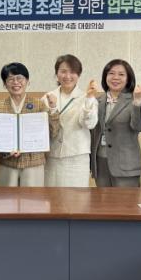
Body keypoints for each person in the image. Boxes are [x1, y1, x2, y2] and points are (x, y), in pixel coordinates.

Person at [0, 62, 58, 187]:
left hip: (33, 164)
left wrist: (53, 108)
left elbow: (53, 132)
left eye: (20, 78)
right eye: (10, 79)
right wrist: (6, 151)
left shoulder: (39, 105)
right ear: (4, 84)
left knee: (33, 198)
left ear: (27, 81)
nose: (16, 82)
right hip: (8, 164)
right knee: (7, 198)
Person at [42, 54, 98, 187]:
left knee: (76, 198)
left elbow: (89, 123)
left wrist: (89, 99)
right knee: (52, 197)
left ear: (78, 75)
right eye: (63, 71)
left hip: (76, 157)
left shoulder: (87, 97)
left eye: (72, 72)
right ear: (57, 74)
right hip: (52, 157)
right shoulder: (46, 98)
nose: (67, 76)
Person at [90, 59, 141, 187]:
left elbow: (140, 126)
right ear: (105, 76)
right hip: (100, 163)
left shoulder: (135, 100)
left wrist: (138, 102)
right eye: (111, 73)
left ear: (128, 79)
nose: (115, 77)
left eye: (121, 74)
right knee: (102, 200)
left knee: (126, 200)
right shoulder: (97, 101)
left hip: (126, 165)